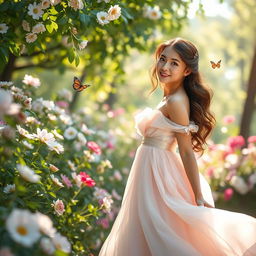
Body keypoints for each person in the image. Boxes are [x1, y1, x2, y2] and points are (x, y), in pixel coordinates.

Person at [98, 37, 256, 256]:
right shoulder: (169, 95)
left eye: (174, 63)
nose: (165, 67)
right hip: (148, 171)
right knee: (144, 231)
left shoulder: (176, 101)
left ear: (187, 71)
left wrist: (198, 196)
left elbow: (185, 150)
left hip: (158, 173)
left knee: (163, 232)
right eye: (163, 60)